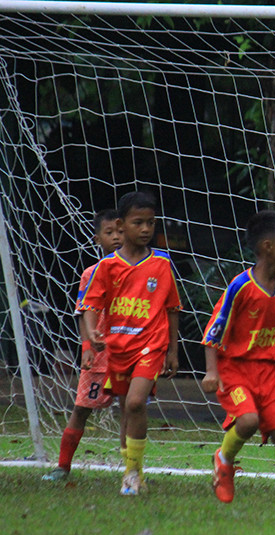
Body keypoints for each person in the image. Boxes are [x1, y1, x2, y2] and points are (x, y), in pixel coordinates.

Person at [201, 210, 275, 511]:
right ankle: (224, 461)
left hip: (270, 372)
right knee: (248, 420)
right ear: (267, 247)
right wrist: (212, 372)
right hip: (235, 369)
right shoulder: (240, 287)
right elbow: (213, 332)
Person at [79, 192, 181, 495]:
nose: (147, 229)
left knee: (136, 402)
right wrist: (92, 334)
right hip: (118, 347)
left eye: (151, 222)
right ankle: (131, 471)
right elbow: (90, 306)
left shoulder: (161, 264)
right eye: (139, 223)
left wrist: (172, 351)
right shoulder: (107, 267)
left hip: (151, 344)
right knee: (127, 410)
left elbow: (172, 309)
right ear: (122, 225)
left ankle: (133, 474)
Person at [42, 210, 127, 481]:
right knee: (81, 408)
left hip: (130, 352)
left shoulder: (140, 271)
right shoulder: (91, 273)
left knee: (131, 409)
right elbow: (83, 311)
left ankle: (132, 470)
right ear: (97, 239)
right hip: (100, 356)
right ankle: (62, 466)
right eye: (109, 233)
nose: (116, 237)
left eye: (120, 232)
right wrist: (87, 348)